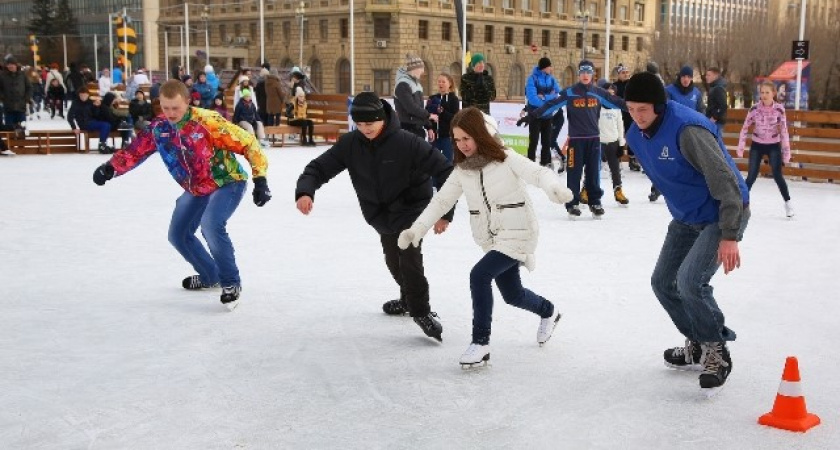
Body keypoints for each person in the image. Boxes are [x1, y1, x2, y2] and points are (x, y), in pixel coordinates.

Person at [397, 107, 571, 367]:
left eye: (467, 138)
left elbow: (538, 173)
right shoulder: (462, 170)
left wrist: (553, 187)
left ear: (481, 134)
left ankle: (481, 343)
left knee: (479, 275)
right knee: (513, 295)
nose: (462, 145)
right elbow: (442, 201)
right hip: (491, 239)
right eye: (457, 139)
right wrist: (418, 229)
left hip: (518, 231)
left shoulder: (505, 157)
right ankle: (549, 311)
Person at [90, 79, 271, 311]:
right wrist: (111, 168)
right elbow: (136, 150)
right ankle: (210, 276)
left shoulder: (207, 122)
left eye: (175, 108)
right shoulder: (160, 127)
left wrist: (260, 179)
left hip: (226, 181)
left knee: (211, 225)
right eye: (165, 108)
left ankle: (230, 283)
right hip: (196, 187)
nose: (171, 113)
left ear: (187, 101)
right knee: (178, 234)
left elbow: (248, 143)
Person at [623, 72, 750, 391]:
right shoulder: (635, 135)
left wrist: (730, 234)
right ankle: (697, 341)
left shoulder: (688, 130)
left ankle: (716, 351)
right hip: (686, 217)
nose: (637, 117)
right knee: (663, 283)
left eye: (644, 110)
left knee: (691, 282)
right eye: (631, 109)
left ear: (660, 106)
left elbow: (726, 182)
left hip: (721, 213)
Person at [295, 92, 454, 342]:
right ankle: (406, 299)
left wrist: (444, 213)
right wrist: (306, 190)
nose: (365, 129)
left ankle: (421, 311)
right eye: (359, 124)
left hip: (414, 208)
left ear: (383, 119)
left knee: (408, 255)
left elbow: (445, 171)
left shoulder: (407, 143)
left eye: (370, 123)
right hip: (380, 213)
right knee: (393, 260)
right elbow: (319, 168)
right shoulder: (350, 144)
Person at [519, 60, 626, 218]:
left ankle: (595, 202)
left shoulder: (598, 92)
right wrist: (532, 115)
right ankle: (572, 203)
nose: (585, 75)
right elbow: (551, 105)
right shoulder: (570, 92)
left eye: (588, 72)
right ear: (578, 74)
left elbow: (618, 102)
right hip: (576, 140)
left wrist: (639, 106)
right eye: (582, 72)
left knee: (593, 173)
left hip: (594, 140)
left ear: (592, 74)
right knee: (574, 173)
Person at [737, 81, 794, 218]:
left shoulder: (779, 109)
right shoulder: (754, 109)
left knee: (777, 175)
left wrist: (786, 153)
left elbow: (784, 131)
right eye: (762, 92)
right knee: (751, 176)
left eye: (767, 92)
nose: (764, 95)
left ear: (773, 93)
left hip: (773, 145)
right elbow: (745, 128)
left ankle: (788, 203)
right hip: (757, 144)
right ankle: (740, 204)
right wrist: (741, 147)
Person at [525, 57, 561, 167]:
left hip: (548, 116)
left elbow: (557, 94)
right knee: (534, 141)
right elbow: (532, 99)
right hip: (535, 115)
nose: (551, 68)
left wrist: (545, 97)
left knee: (546, 142)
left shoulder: (552, 79)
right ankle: (530, 164)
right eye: (549, 66)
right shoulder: (532, 79)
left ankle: (545, 164)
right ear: (544, 67)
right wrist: (549, 101)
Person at [597, 81, 628, 205]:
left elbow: (620, 126)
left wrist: (621, 144)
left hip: (613, 142)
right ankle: (587, 190)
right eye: (608, 92)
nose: (611, 95)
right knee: (592, 169)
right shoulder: (597, 106)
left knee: (615, 170)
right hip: (599, 142)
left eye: (613, 93)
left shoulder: (616, 108)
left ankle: (618, 191)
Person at [394, 54, 436, 140]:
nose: (423, 71)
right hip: (407, 129)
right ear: (415, 69)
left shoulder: (416, 84)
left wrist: (428, 127)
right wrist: (428, 115)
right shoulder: (402, 85)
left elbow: (420, 108)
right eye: (421, 68)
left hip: (417, 128)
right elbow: (411, 108)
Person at [67, 87, 114, 154]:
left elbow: (96, 114)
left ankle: (103, 144)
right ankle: (102, 144)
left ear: (88, 95)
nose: (83, 97)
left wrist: (96, 107)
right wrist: (74, 127)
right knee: (105, 125)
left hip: (92, 122)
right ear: (79, 95)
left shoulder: (90, 102)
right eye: (81, 95)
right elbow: (70, 116)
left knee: (108, 125)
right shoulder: (75, 103)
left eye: (85, 95)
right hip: (84, 123)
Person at [425, 72, 460, 163]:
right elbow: (425, 115)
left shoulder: (453, 99)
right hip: (433, 137)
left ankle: (447, 178)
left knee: (447, 164)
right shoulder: (432, 98)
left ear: (450, 84)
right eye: (439, 81)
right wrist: (429, 128)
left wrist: (442, 112)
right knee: (432, 163)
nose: (440, 84)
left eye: (443, 82)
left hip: (447, 138)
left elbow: (455, 118)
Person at [613, 64, 641, 172]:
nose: (625, 74)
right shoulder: (614, 86)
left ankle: (632, 159)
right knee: (616, 137)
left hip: (630, 115)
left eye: (626, 72)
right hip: (617, 115)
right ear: (618, 74)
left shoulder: (632, 85)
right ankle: (616, 160)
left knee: (631, 137)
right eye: (623, 73)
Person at [0, 57, 32, 131]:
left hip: (21, 106)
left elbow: (29, 87)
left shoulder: (23, 75)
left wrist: (26, 98)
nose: (10, 66)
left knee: (22, 130)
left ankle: (21, 142)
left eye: (12, 64)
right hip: (8, 107)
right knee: (10, 130)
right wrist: (2, 97)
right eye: (8, 64)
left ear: (16, 65)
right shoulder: (2, 76)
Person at [289, 71, 316, 146]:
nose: (301, 97)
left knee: (310, 122)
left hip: (301, 119)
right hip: (293, 120)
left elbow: (305, 113)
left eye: (302, 96)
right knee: (304, 122)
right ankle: (304, 140)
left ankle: (311, 139)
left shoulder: (304, 103)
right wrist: (294, 115)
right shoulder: (293, 102)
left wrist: (303, 117)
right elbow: (288, 113)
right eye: (300, 96)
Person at [704, 67, 728, 136]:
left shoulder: (718, 88)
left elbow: (723, 105)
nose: (706, 77)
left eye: (709, 75)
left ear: (715, 76)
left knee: (716, 143)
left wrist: (715, 117)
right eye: (706, 75)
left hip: (716, 122)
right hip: (714, 121)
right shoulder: (714, 87)